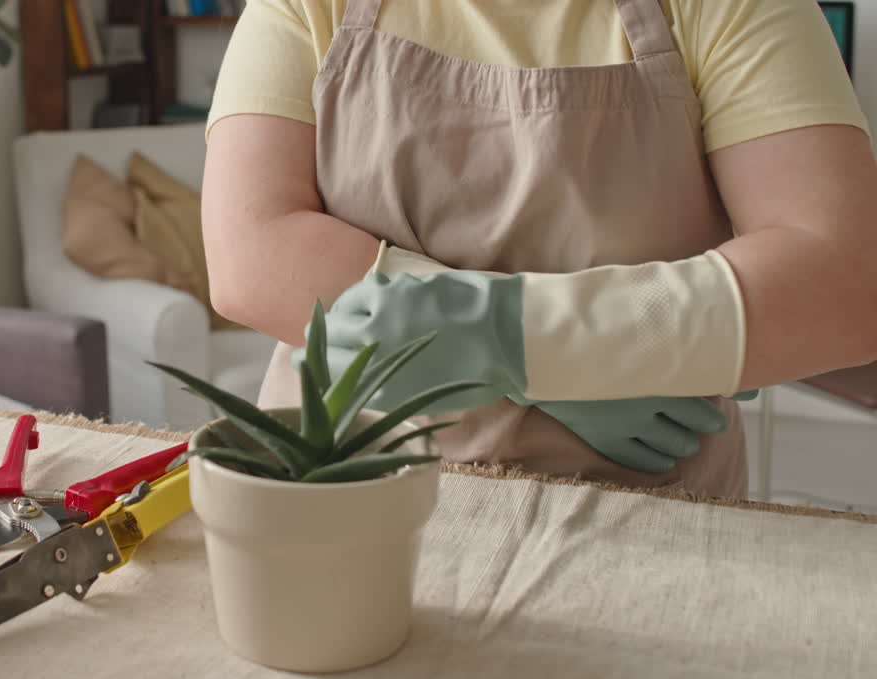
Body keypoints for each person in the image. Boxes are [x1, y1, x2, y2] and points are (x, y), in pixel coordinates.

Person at [200, 0, 877, 498]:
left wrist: (507, 339)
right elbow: (252, 257)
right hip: (342, 492)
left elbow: (842, 277)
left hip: (646, 520)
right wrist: (577, 359)